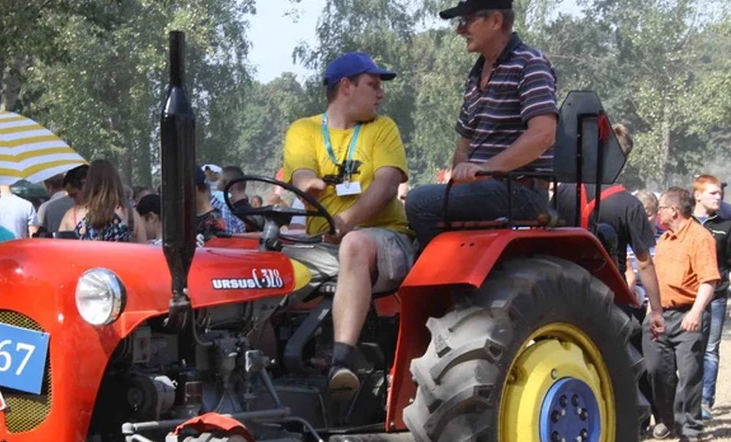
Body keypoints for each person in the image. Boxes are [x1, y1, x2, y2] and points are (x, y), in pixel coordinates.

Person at [282, 51, 414, 399]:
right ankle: (255, 368)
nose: (381, 94)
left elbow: (386, 186)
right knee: (261, 265)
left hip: (387, 239)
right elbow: (301, 174)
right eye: (373, 85)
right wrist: (309, 183)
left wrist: (345, 220)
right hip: (323, 246)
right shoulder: (304, 130)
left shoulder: (383, 129)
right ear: (346, 87)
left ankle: (342, 361)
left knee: (355, 244)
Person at [405, 0, 556, 246]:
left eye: (467, 20)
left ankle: (441, 277)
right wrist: (462, 177)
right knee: (420, 208)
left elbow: (543, 135)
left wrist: (486, 169)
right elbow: (463, 146)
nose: (459, 30)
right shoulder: (476, 74)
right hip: (488, 190)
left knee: (419, 202)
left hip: (520, 191)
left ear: (496, 21)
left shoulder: (530, 63)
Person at [554, 124, 665, 334]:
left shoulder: (564, 192)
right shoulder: (629, 204)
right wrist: (657, 312)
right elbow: (644, 264)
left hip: (565, 291)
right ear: (622, 160)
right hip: (609, 296)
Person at [643, 187, 719, 442]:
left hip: (689, 314)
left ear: (673, 211)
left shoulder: (700, 237)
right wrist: (652, 312)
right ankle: (667, 419)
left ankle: (690, 428)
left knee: (689, 374)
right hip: (660, 316)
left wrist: (696, 312)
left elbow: (708, 281)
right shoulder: (664, 239)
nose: (659, 212)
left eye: (662, 207)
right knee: (655, 369)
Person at [693, 174, 730, 420]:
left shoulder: (726, 223)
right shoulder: (687, 221)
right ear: (698, 195)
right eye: (713, 193)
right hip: (688, 293)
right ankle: (687, 400)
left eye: (720, 194)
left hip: (716, 294)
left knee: (710, 348)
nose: (718, 197)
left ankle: (706, 402)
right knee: (688, 348)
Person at [59, 159, 132, 242]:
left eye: (74, 195)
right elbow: (143, 250)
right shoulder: (131, 214)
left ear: (87, 184)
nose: (74, 201)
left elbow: (60, 250)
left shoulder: (71, 216)